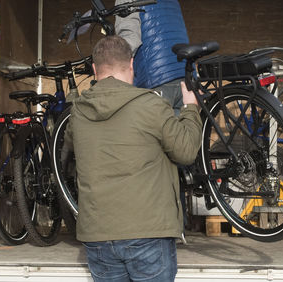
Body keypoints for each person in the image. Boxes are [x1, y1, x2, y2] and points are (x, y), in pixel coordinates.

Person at [68, 35, 201, 282]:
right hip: (147, 232)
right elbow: (186, 151)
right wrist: (191, 108)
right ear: (131, 65)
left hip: (98, 236)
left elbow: (69, 147)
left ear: (95, 69)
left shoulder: (77, 112)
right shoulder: (150, 105)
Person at [115, 0, 189, 115]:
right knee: (182, 130)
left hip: (156, 77)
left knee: (150, 131)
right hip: (184, 71)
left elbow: (130, 40)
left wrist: (112, 59)